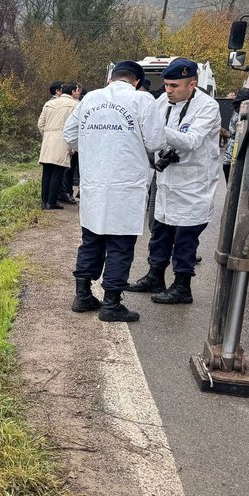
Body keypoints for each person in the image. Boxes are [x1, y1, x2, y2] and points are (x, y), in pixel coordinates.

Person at [63, 61, 165, 322]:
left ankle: (83, 296)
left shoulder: (89, 99)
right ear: (137, 82)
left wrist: (93, 143)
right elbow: (155, 142)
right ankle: (111, 304)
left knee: (92, 239)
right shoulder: (143, 100)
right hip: (125, 185)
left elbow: (70, 134)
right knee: (120, 245)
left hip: (94, 183)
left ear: (110, 78)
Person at [127, 59, 221, 304]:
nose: (168, 90)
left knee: (185, 236)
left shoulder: (207, 107)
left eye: (174, 86)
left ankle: (182, 286)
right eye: (166, 85)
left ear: (192, 84)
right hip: (166, 179)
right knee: (160, 231)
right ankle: (155, 275)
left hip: (193, 183)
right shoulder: (162, 102)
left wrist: (155, 129)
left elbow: (191, 141)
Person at [37, 83, 79, 209]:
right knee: (58, 171)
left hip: (48, 139)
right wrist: (73, 145)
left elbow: (40, 124)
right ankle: (52, 201)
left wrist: (48, 135)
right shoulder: (75, 105)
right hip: (63, 139)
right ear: (72, 92)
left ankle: (44, 201)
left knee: (47, 171)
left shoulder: (49, 103)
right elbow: (76, 126)